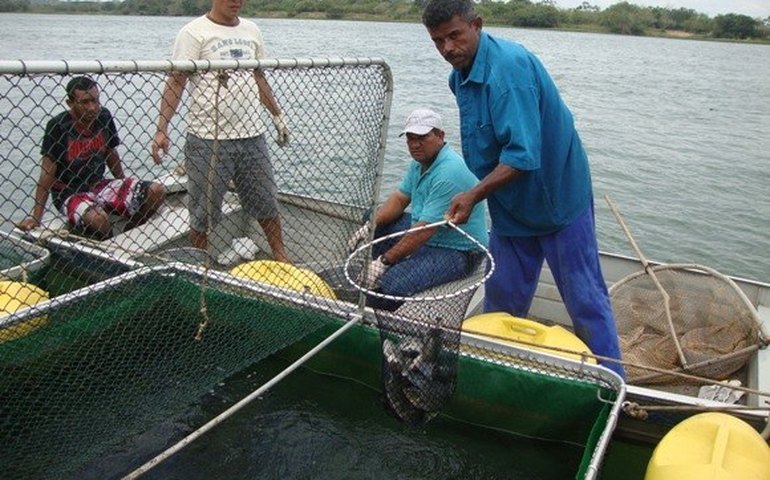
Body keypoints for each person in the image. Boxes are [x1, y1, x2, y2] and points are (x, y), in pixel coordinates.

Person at [421, 0, 626, 379]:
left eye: (455, 35)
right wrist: (479, 192)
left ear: (477, 25)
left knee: (584, 300)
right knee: (501, 296)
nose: (448, 48)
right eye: (438, 41)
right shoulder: (460, 76)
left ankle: (614, 384)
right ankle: (494, 372)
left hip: (556, 197)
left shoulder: (508, 71)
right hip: (511, 203)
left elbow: (522, 155)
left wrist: (471, 195)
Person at [151, 0, 290, 262]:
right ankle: (201, 264)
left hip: (252, 136)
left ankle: (280, 255)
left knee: (266, 200)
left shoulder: (252, 31)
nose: (237, 2)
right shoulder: (193, 32)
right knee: (203, 211)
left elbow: (258, 76)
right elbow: (176, 81)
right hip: (208, 139)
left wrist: (277, 114)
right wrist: (162, 129)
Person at [348, 108, 488, 311]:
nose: (415, 145)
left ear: (440, 136)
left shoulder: (448, 172)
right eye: (410, 138)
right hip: (428, 232)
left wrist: (383, 262)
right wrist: (370, 226)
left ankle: (383, 288)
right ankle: (386, 270)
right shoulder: (420, 163)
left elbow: (423, 230)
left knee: (393, 284)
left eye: (422, 137)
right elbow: (399, 199)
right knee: (375, 217)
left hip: (458, 249)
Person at [17, 76, 165, 238]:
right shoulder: (58, 126)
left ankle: (129, 232)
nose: (93, 107)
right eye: (85, 102)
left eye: (96, 100)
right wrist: (36, 217)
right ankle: (107, 244)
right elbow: (47, 173)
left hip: (98, 184)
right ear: (70, 103)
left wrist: (123, 184)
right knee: (98, 218)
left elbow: (111, 153)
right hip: (69, 193)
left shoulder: (104, 116)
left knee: (156, 191)